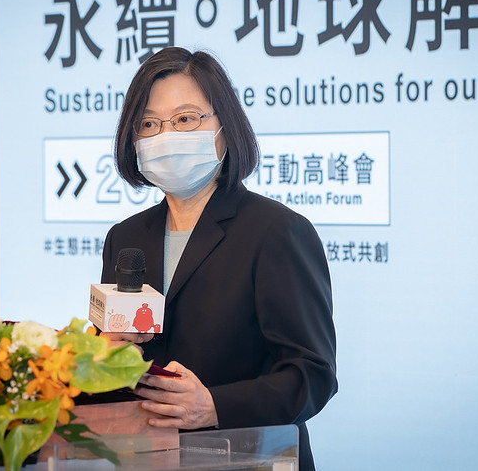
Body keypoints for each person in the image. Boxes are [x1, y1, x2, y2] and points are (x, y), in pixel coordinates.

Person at [100, 46, 337, 470]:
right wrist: (103, 354)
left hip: (250, 459)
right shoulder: (126, 237)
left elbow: (312, 375)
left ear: (225, 128)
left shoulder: (276, 231)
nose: (165, 135)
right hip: (146, 456)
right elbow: (117, 352)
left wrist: (214, 405)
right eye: (149, 124)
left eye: (186, 119)